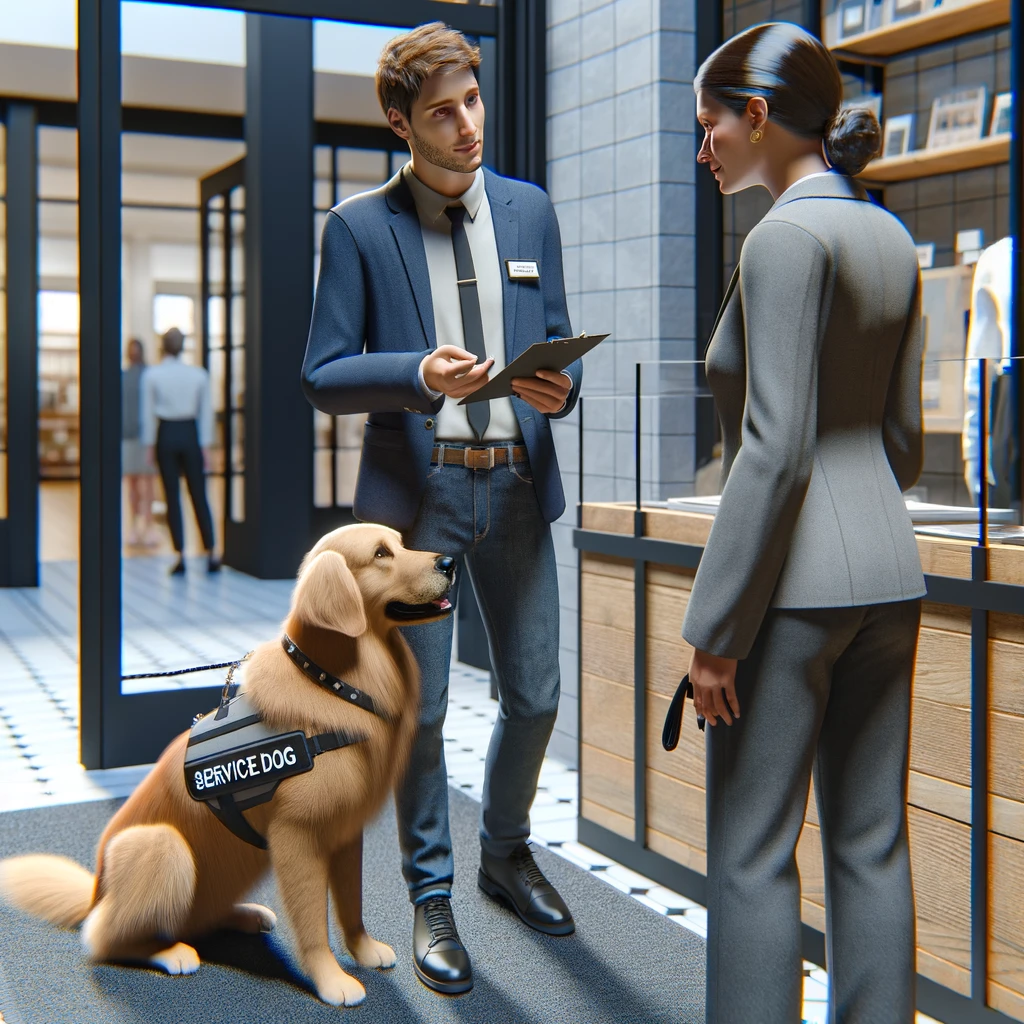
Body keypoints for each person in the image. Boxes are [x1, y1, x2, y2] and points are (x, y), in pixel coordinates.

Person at [301, 21, 581, 996]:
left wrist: (559, 393)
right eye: (440, 112)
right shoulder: (358, 228)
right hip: (419, 505)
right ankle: (431, 894)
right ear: (398, 123)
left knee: (537, 693)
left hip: (515, 483)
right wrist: (417, 373)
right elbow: (322, 374)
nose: (468, 126)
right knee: (419, 720)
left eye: (472, 101)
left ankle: (504, 851)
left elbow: (551, 344)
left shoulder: (530, 210)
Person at [682, 23, 925, 1024]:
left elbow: (773, 450)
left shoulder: (782, 237)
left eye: (710, 128)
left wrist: (712, 631)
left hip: (791, 591)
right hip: (888, 573)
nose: (705, 151)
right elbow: (903, 436)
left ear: (757, 115)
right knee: (871, 839)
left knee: (749, 850)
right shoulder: (886, 234)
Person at [141, 327, 220, 576]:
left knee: (171, 497)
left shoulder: (152, 374)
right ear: (183, 346)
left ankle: (180, 555)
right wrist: (206, 446)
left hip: (166, 434)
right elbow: (206, 414)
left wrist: (149, 445)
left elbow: (146, 414)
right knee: (199, 494)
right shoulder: (197, 375)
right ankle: (211, 552)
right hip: (190, 433)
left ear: (162, 346)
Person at [122, 338, 156, 546]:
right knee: (133, 483)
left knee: (149, 482)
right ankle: (134, 525)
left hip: (146, 438)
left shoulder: (149, 376)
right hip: (128, 436)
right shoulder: (123, 376)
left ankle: (149, 525)